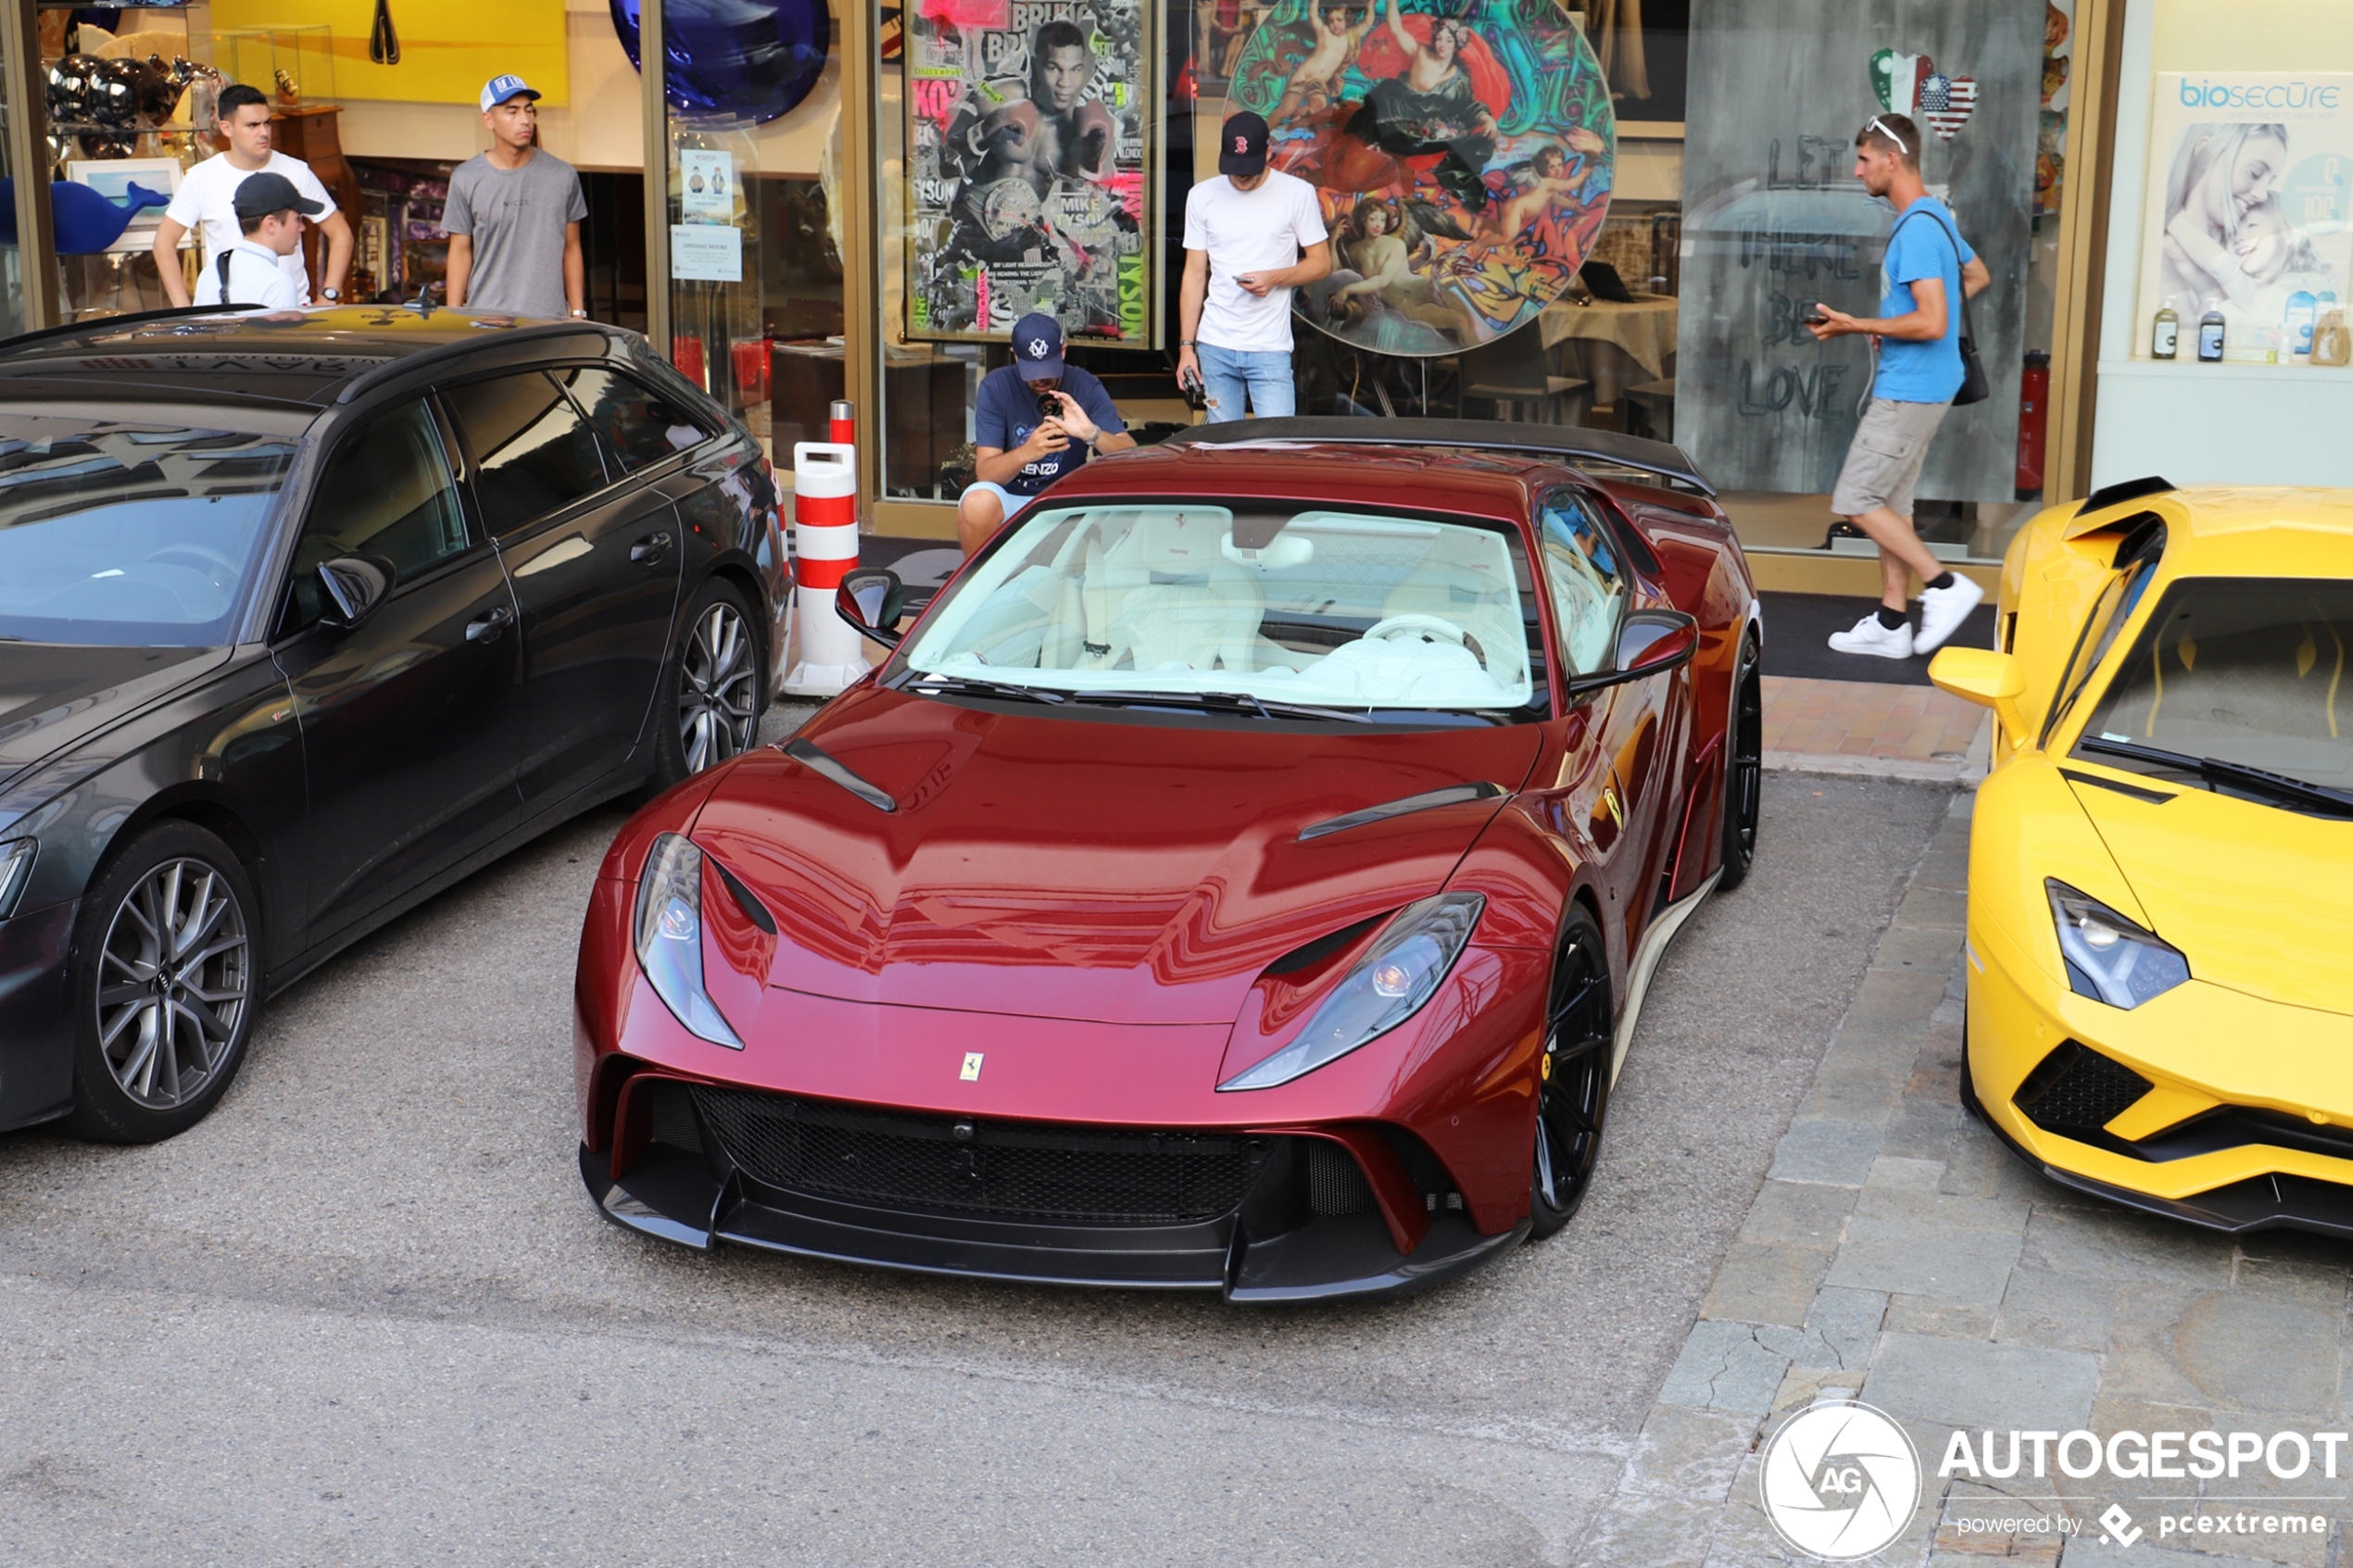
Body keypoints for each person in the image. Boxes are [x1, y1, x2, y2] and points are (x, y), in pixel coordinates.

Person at [1808, 112, 1992, 659]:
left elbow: (1934, 321)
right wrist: (1900, 327)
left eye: (1865, 159)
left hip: (1911, 388)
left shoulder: (1915, 228)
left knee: (1856, 498)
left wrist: (1860, 324)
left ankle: (1944, 586)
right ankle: (1892, 622)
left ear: (1892, 160)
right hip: (1927, 381)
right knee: (1893, 501)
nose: (1857, 169)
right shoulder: (1936, 216)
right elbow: (1975, 276)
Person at [1176, 112, 1333, 422]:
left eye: (1248, 169)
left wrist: (1274, 278)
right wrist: (1186, 347)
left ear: (1269, 152)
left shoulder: (1296, 193)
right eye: (1234, 170)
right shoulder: (1202, 196)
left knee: (1276, 451)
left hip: (1269, 346)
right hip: (1215, 343)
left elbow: (1321, 263)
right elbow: (1194, 274)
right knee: (1220, 452)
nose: (1241, 177)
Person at [154, 82, 351, 308]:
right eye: (252, 125)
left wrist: (329, 295)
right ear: (227, 128)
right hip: (229, 316)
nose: (264, 132)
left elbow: (341, 233)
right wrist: (183, 310)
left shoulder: (297, 171)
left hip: (293, 311)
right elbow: (164, 243)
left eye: (267, 123)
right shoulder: (201, 177)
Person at [957, 312, 1137, 556]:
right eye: (1032, 370)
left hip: (1067, 498)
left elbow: (1132, 457)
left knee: (1129, 508)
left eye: (1048, 368)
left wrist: (1092, 434)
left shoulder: (1086, 385)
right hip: (1012, 496)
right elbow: (986, 473)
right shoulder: (996, 386)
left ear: (1063, 352)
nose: (1041, 379)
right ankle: (978, 587)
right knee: (977, 502)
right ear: (1015, 356)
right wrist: (1027, 452)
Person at [445, 74, 589, 320]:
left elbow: (572, 247)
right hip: (485, 322)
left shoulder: (563, 175)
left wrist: (577, 313)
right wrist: (453, 318)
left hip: (547, 321)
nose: (524, 120)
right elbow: (459, 251)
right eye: (512, 112)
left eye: (529, 111)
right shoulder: (465, 178)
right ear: (488, 120)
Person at [205, 172, 323, 310]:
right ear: (271, 224)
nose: (302, 228)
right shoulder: (279, 284)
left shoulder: (210, 273)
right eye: (297, 219)